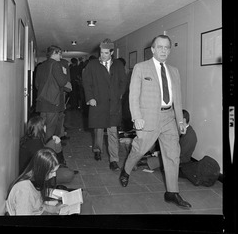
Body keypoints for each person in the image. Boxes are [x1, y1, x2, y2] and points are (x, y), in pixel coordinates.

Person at [119, 34, 192, 209]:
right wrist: (136, 117)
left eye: (167, 47)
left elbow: (178, 98)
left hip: (169, 118)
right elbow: (133, 95)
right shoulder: (140, 68)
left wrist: (180, 121)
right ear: (152, 49)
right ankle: (126, 170)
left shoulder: (174, 71)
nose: (164, 50)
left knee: (173, 154)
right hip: (148, 118)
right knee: (139, 149)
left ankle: (172, 193)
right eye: (160, 47)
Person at [82, 38, 127, 171]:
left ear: (112, 53)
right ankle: (97, 149)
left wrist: (119, 95)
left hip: (113, 104)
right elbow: (86, 82)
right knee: (99, 129)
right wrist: (90, 98)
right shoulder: (92, 64)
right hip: (98, 102)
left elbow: (123, 82)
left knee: (113, 132)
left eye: (106, 53)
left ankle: (114, 159)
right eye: (101, 52)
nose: (103, 55)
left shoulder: (118, 65)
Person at [6, 149, 93, 215]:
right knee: (84, 199)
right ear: (41, 170)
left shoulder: (36, 181)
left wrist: (54, 209)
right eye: (51, 172)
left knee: (84, 196)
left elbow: (38, 205)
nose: (54, 175)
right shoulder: (24, 191)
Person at [19, 116, 78, 184]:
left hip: (29, 171)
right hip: (34, 177)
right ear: (42, 128)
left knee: (54, 141)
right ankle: (59, 165)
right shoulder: (36, 144)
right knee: (69, 174)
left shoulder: (29, 138)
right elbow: (42, 167)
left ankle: (60, 164)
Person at [35, 45, 68, 141]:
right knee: (51, 129)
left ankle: (41, 150)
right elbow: (62, 82)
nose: (61, 57)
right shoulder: (55, 65)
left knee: (42, 128)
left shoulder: (41, 66)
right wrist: (64, 73)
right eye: (59, 54)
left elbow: (37, 85)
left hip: (42, 101)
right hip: (53, 102)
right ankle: (49, 151)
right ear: (54, 53)